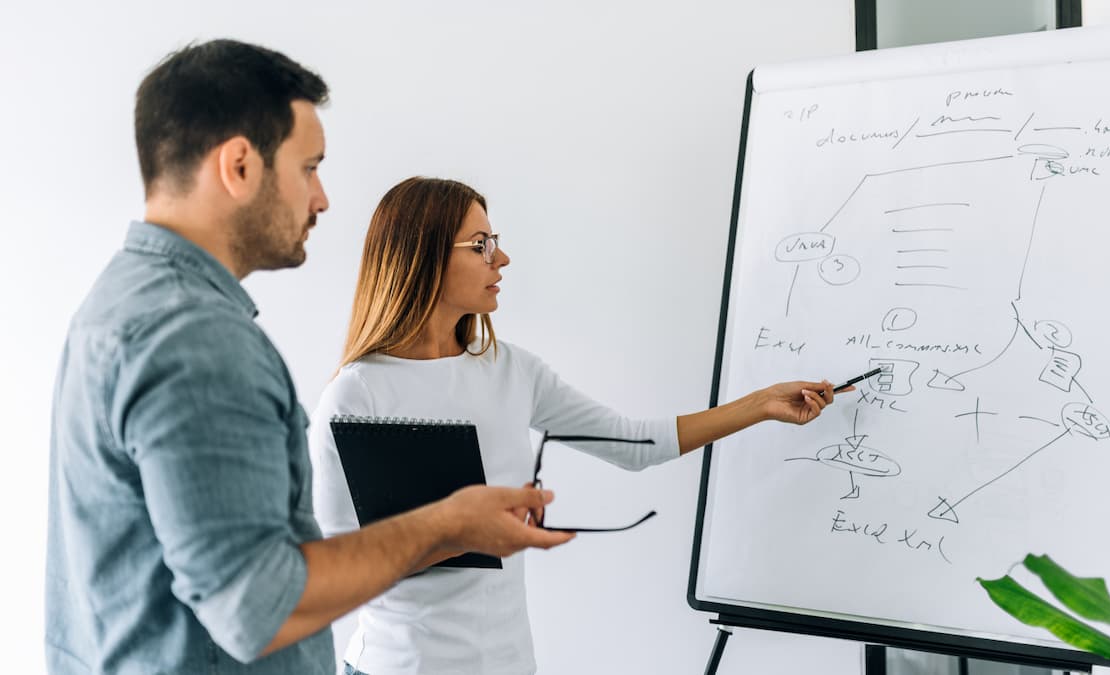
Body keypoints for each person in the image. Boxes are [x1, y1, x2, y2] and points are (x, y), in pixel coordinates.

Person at [45, 40, 573, 675]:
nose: (321, 198)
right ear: (239, 165)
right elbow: (258, 607)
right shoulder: (195, 340)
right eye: (309, 168)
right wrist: (449, 524)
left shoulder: (119, 301)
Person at [309, 176, 850, 675]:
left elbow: (636, 444)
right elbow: (336, 571)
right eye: (481, 245)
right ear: (423, 256)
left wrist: (760, 404)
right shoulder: (358, 395)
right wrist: (460, 532)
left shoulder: (510, 369)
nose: (503, 259)